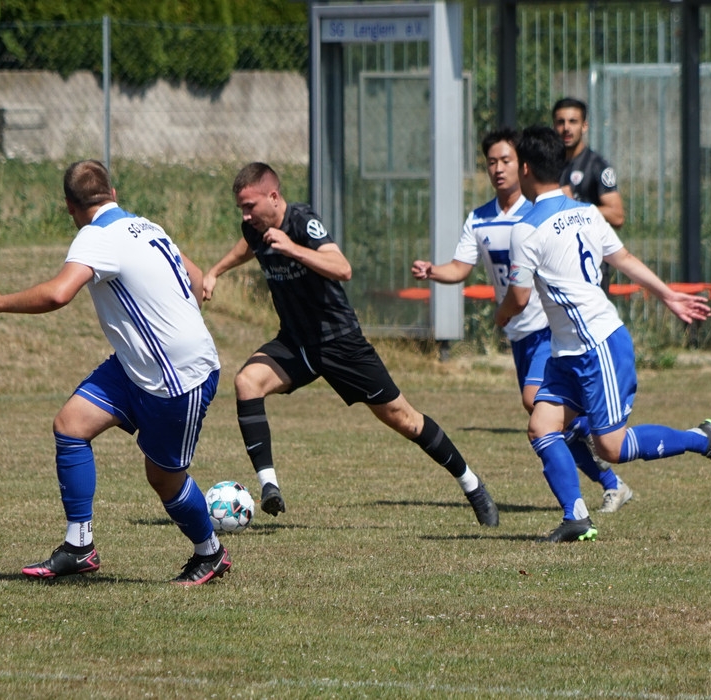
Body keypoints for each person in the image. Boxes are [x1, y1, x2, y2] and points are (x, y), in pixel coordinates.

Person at [201, 162, 498, 527]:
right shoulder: (254, 227)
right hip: (296, 342)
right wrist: (215, 271)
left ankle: (472, 485)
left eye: (250, 206)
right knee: (246, 382)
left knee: (404, 419)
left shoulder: (302, 222)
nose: (245, 215)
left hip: (339, 341)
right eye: (241, 208)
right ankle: (270, 487)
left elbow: (342, 268)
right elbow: (248, 247)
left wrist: (293, 249)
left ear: (273, 197)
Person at [0, 159, 230, 586]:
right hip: (139, 364)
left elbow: (59, 294)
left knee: (163, 479)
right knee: (70, 425)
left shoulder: (95, 236)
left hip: (178, 376)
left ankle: (211, 552)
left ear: (69, 206)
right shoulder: (146, 226)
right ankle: (79, 547)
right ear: (112, 194)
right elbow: (197, 277)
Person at [494, 126, 711, 543]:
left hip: (598, 346)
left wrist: (499, 316)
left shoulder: (526, 228)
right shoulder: (587, 212)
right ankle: (576, 518)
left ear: (524, 169)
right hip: (567, 351)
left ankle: (701, 439)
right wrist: (667, 295)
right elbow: (622, 257)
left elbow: (518, 298)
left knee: (611, 447)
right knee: (541, 426)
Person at [411, 127, 633, 514]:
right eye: (491, 162)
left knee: (537, 404)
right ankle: (608, 479)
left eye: (506, 160)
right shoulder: (479, 218)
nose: (498, 168)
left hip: (549, 329)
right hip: (520, 335)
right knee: (545, 416)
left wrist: (504, 311)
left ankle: (597, 482)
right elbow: (461, 268)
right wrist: (433, 271)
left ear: (524, 165)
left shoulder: (538, 215)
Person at [552, 97, 625, 294]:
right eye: (561, 122)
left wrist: (575, 204)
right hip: (556, 265)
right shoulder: (549, 165)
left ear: (584, 126)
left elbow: (617, 215)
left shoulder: (597, 166)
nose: (566, 128)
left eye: (573, 122)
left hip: (589, 266)